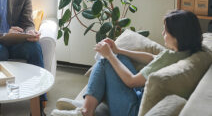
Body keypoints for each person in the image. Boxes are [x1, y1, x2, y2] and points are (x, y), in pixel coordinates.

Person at [51, 10, 203, 116]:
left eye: (166, 31)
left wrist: (110, 55)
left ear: (178, 36)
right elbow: (151, 58)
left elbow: (131, 82)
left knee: (106, 61)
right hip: (139, 96)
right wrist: (118, 50)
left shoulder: (170, 58)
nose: (163, 33)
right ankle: (89, 104)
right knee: (119, 58)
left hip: (132, 110)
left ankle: (85, 111)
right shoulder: (185, 52)